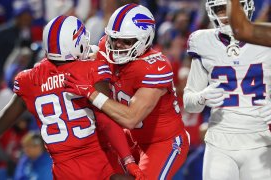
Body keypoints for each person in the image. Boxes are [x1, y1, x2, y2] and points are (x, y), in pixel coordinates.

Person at [0, 15, 143, 180]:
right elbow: (108, 120)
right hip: (99, 163)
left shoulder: (29, 79)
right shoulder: (91, 70)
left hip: (64, 172)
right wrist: (128, 161)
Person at [64, 4, 190, 179]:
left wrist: (91, 93)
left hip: (162, 142)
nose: (117, 45)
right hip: (131, 138)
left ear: (145, 40)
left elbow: (131, 118)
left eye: (126, 41)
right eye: (114, 38)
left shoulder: (155, 66)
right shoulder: (105, 48)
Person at [183, 0, 271, 179]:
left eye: (230, 8)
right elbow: (189, 103)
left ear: (247, 8)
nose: (225, 15)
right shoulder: (203, 41)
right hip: (219, 143)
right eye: (219, 9)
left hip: (259, 141)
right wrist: (202, 97)